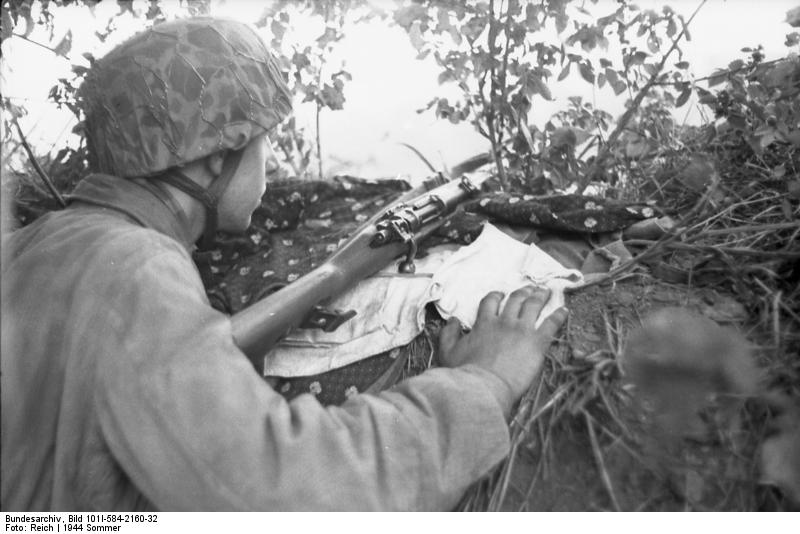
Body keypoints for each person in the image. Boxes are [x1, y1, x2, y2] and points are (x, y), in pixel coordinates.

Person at [0, 17, 566, 511]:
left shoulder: (33, 243)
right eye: (264, 143)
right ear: (215, 157)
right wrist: (483, 381)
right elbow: (289, 493)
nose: (268, 163)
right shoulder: (135, 270)